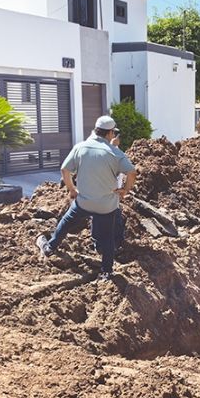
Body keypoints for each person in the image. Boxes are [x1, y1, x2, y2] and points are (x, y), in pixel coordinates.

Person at [37, 115, 137, 280]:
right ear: (111, 133)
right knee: (107, 237)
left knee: (66, 222)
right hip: (107, 205)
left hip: (84, 202)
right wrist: (125, 190)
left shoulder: (81, 147)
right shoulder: (115, 153)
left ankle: (50, 247)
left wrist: (72, 189)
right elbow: (132, 172)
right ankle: (106, 271)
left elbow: (64, 170)